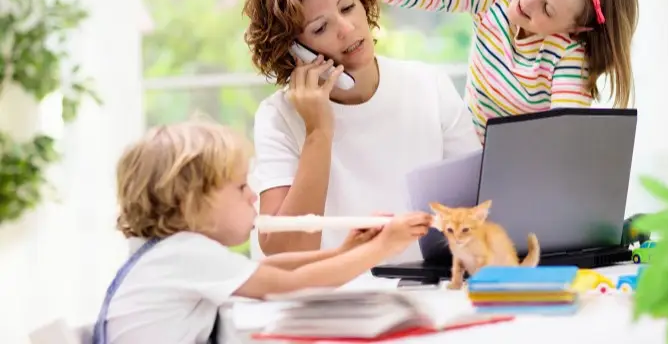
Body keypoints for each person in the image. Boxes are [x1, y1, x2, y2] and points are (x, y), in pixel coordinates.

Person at [91, 120, 433, 344]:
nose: (253, 196)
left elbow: (270, 270)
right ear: (192, 203)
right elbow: (288, 286)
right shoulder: (183, 253)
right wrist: (382, 248)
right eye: (241, 187)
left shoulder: (169, 254)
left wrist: (344, 252)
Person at [243, 0, 481, 260]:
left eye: (346, 7)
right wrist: (318, 132)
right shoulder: (278, 117)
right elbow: (287, 253)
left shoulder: (428, 85)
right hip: (327, 298)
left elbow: (478, 213)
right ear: (293, 51)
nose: (347, 28)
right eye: (320, 27)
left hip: (424, 291)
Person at [328, 0, 639, 142]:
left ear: (576, 28)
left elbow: (562, 139)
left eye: (547, 9)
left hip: (517, 172)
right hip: (463, 150)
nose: (526, 1)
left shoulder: (569, 56)